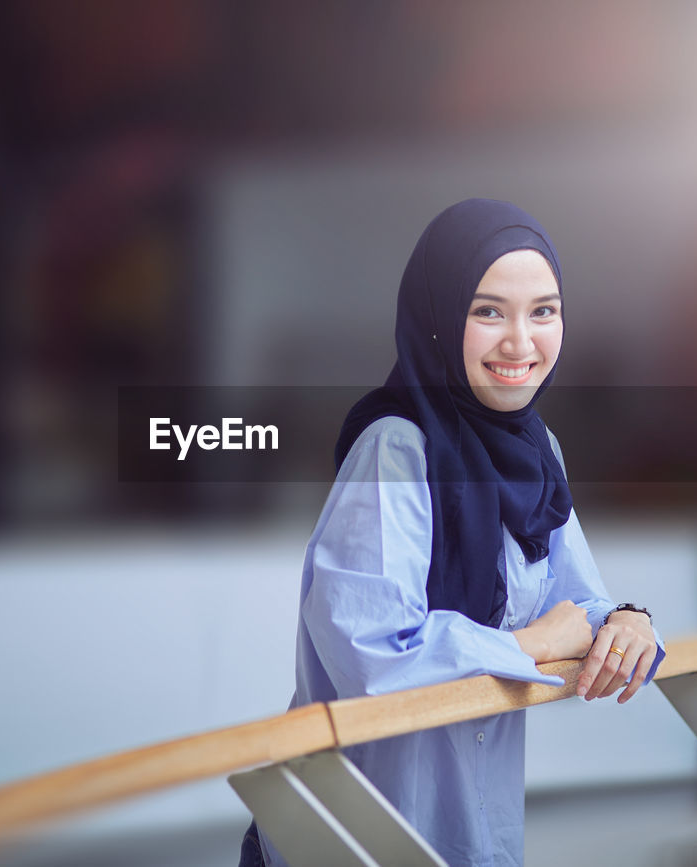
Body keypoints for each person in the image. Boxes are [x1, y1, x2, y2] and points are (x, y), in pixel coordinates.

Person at [239, 199, 665, 867]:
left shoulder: (534, 449)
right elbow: (371, 652)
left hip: (467, 828)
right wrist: (525, 644)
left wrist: (629, 621)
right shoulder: (397, 450)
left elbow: (575, 603)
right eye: (488, 310)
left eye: (543, 311)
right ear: (438, 319)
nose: (521, 343)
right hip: (352, 835)